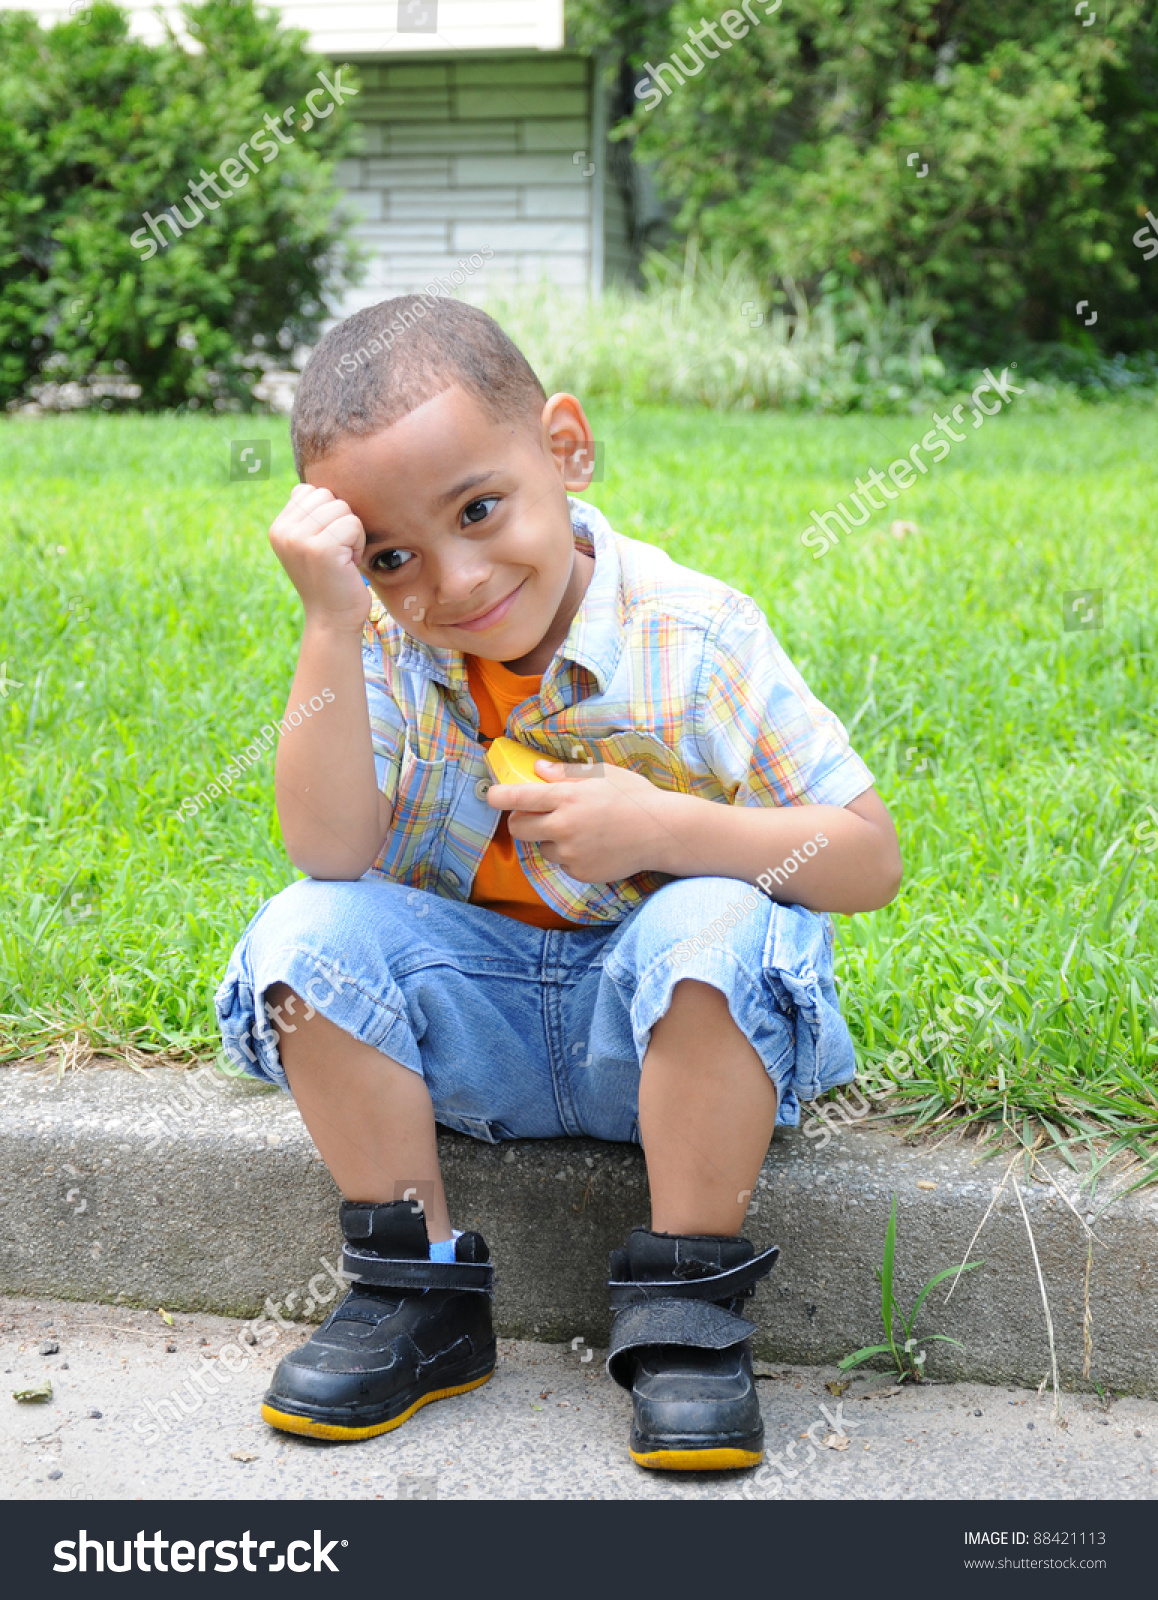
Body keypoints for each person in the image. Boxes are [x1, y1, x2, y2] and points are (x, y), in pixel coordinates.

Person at [214, 294, 902, 1472]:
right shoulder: (383, 645)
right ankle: (416, 1296)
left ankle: (689, 1305)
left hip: (664, 1038)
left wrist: (671, 827)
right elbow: (329, 851)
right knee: (303, 935)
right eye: (392, 556)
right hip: (471, 1035)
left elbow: (865, 855)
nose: (458, 579)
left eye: (480, 509)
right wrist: (331, 622)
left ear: (565, 448)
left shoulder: (694, 635)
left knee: (715, 921)